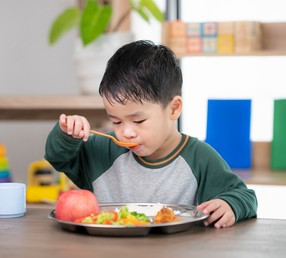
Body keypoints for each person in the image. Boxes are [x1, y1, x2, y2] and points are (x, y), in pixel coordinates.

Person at [45, 40, 257, 228]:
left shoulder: (200, 158)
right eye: (116, 121)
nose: (125, 132)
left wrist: (230, 204)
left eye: (138, 121)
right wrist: (67, 135)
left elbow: (244, 196)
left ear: (173, 108)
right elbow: (58, 157)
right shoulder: (102, 150)